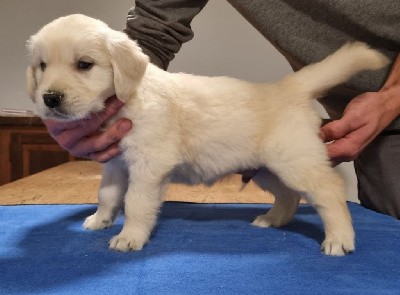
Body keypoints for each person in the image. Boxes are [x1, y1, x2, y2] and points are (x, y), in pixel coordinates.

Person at [43, 0, 400, 218]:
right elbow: (154, 28)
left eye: (82, 64)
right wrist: (111, 101)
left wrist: (392, 96)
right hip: (365, 116)